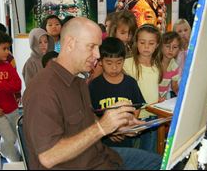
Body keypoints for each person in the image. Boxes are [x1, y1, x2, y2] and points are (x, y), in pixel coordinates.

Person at [22, 17, 162, 169]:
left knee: (163, 162)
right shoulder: (43, 90)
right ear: (70, 43)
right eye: (91, 47)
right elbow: (48, 156)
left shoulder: (78, 81)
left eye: (98, 47)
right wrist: (102, 127)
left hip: (101, 156)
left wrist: (116, 127)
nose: (97, 54)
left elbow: (87, 123)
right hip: (82, 164)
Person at [89, 37, 145, 148]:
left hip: (126, 140)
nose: (114, 67)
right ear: (100, 62)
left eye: (119, 63)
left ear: (124, 60)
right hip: (103, 143)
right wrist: (108, 130)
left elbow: (137, 107)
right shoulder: (94, 86)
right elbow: (90, 113)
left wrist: (128, 125)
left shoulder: (131, 83)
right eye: (109, 63)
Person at [123, 24, 163, 152]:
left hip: (152, 116)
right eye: (142, 42)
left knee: (148, 153)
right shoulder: (127, 64)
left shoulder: (157, 66)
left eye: (151, 43)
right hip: (132, 116)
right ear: (136, 43)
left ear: (157, 45)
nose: (146, 47)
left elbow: (153, 89)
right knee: (131, 154)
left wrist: (159, 100)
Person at [0, 31, 21, 162]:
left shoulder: (8, 66)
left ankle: (18, 159)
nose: (7, 52)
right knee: (10, 138)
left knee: (18, 135)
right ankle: (11, 159)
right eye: (4, 49)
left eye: (8, 48)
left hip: (13, 109)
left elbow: (17, 85)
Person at [158, 31, 182, 100]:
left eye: (175, 47)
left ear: (178, 50)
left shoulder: (175, 67)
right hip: (151, 97)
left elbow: (174, 86)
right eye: (167, 46)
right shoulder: (154, 63)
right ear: (161, 46)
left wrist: (182, 95)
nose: (171, 50)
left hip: (163, 99)